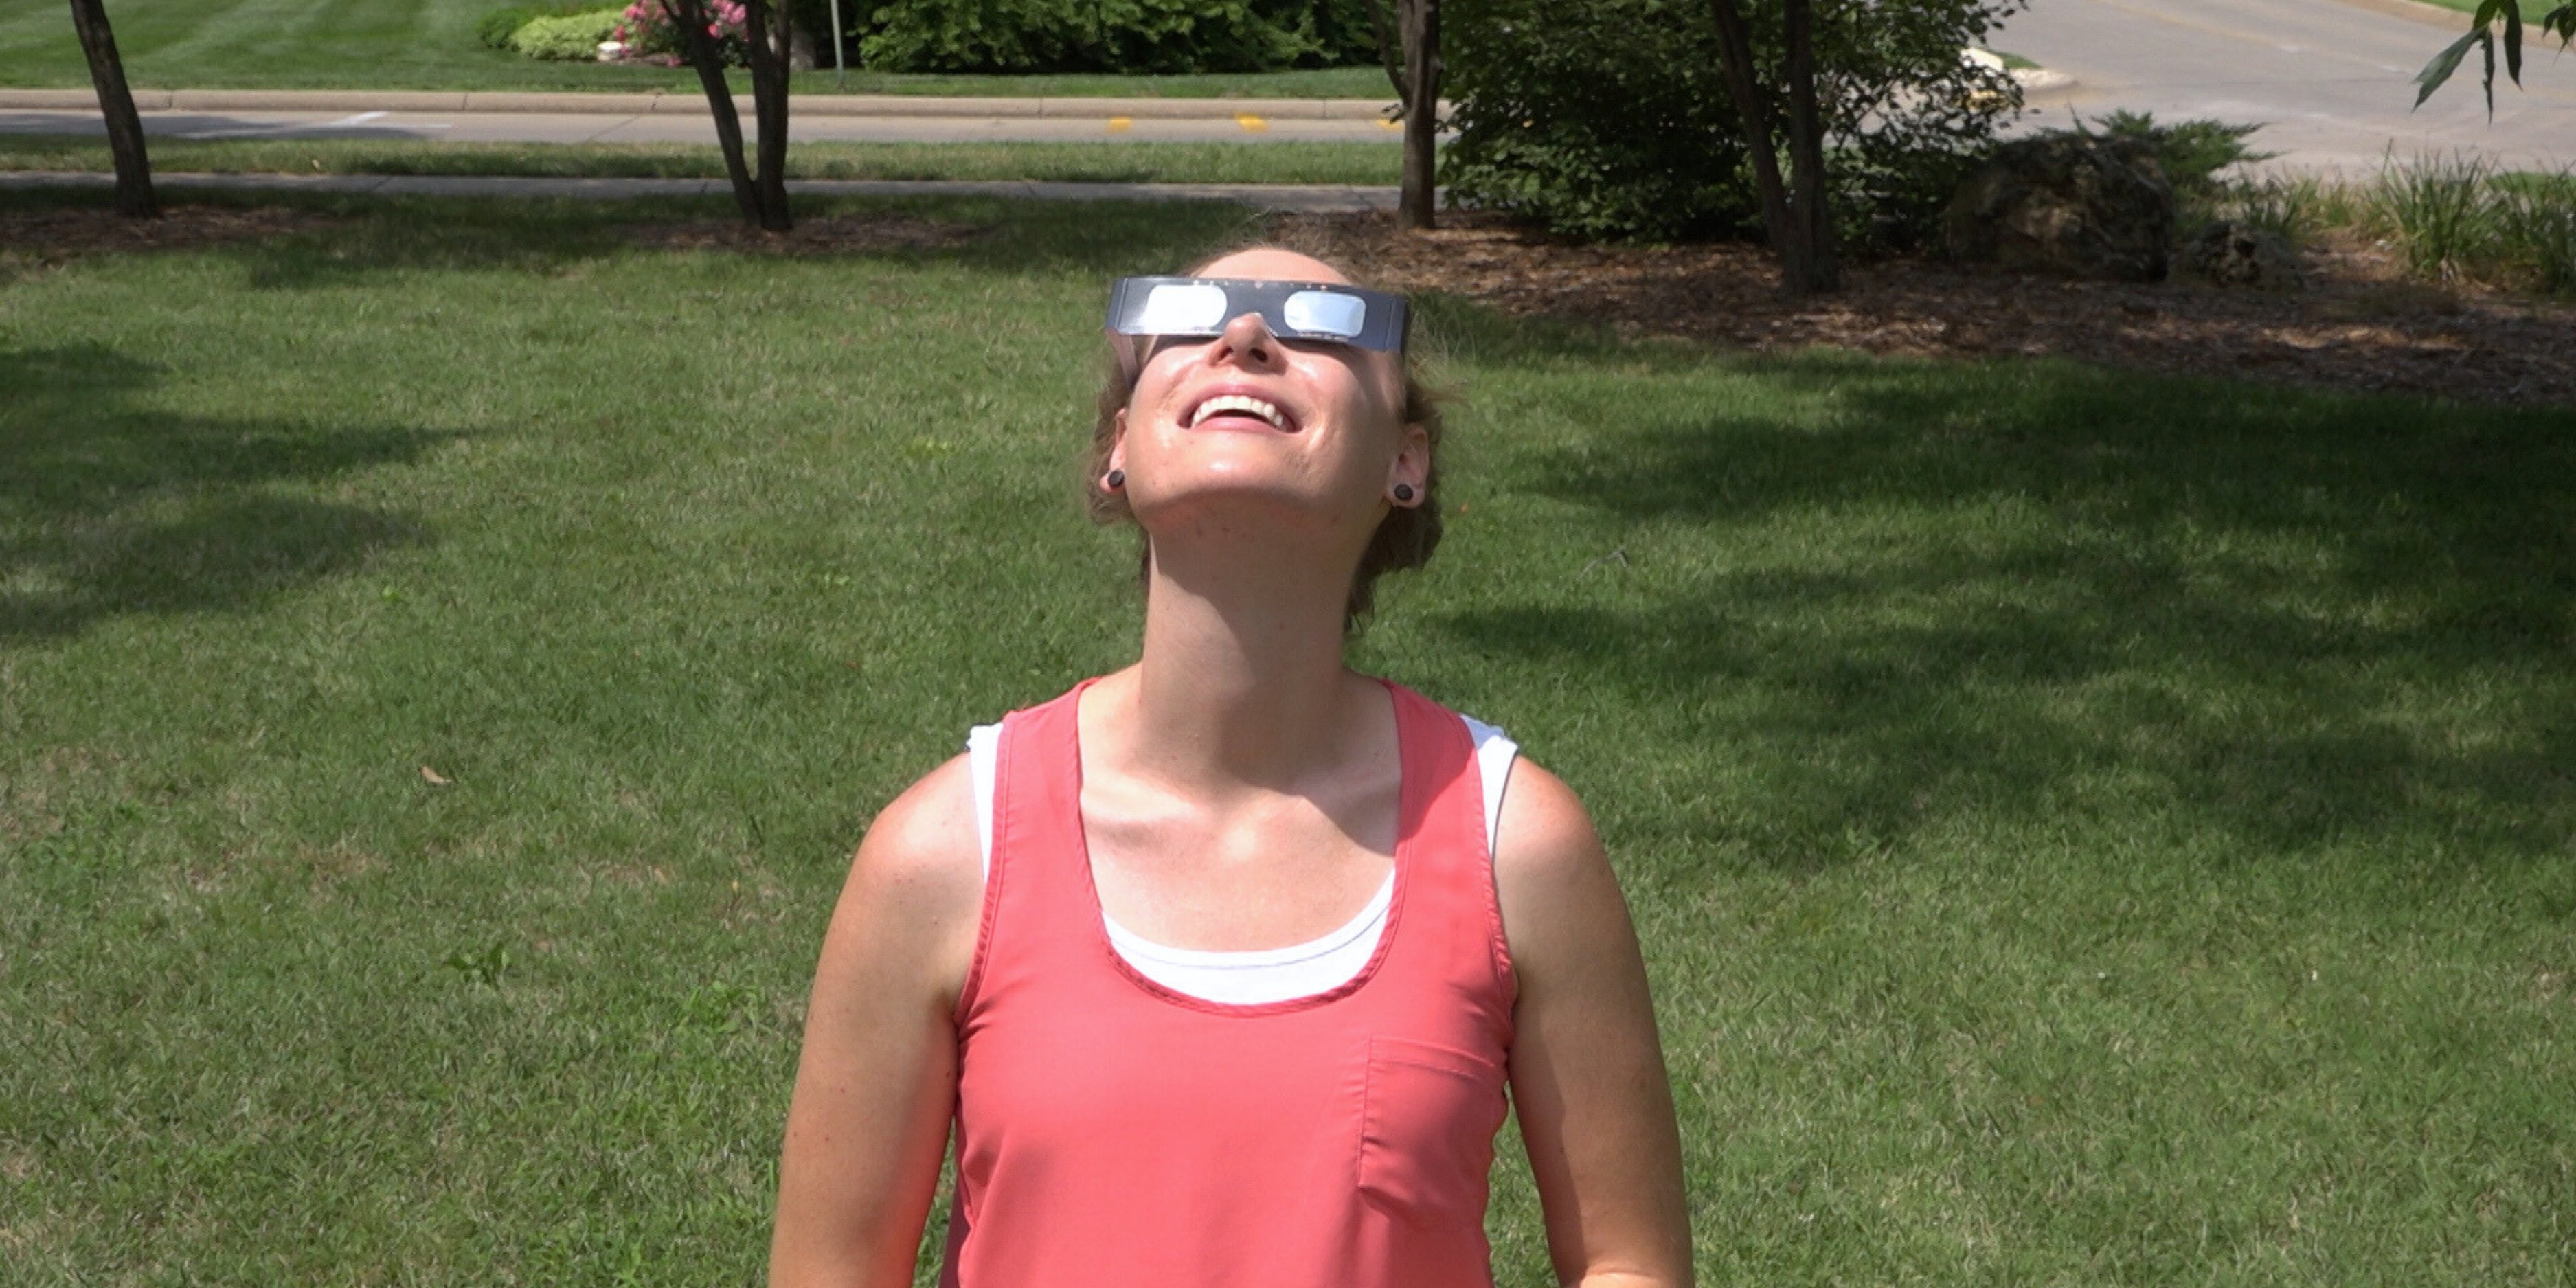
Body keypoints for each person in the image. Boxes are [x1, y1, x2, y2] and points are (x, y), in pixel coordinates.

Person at [769, 246, 1693, 1288]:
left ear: (1407, 460)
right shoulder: (943, 853)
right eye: (1188, 318)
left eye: (1320, 329)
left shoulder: (1513, 843)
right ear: (1118, 446)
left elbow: (1628, 1263)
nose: (1245, 338)